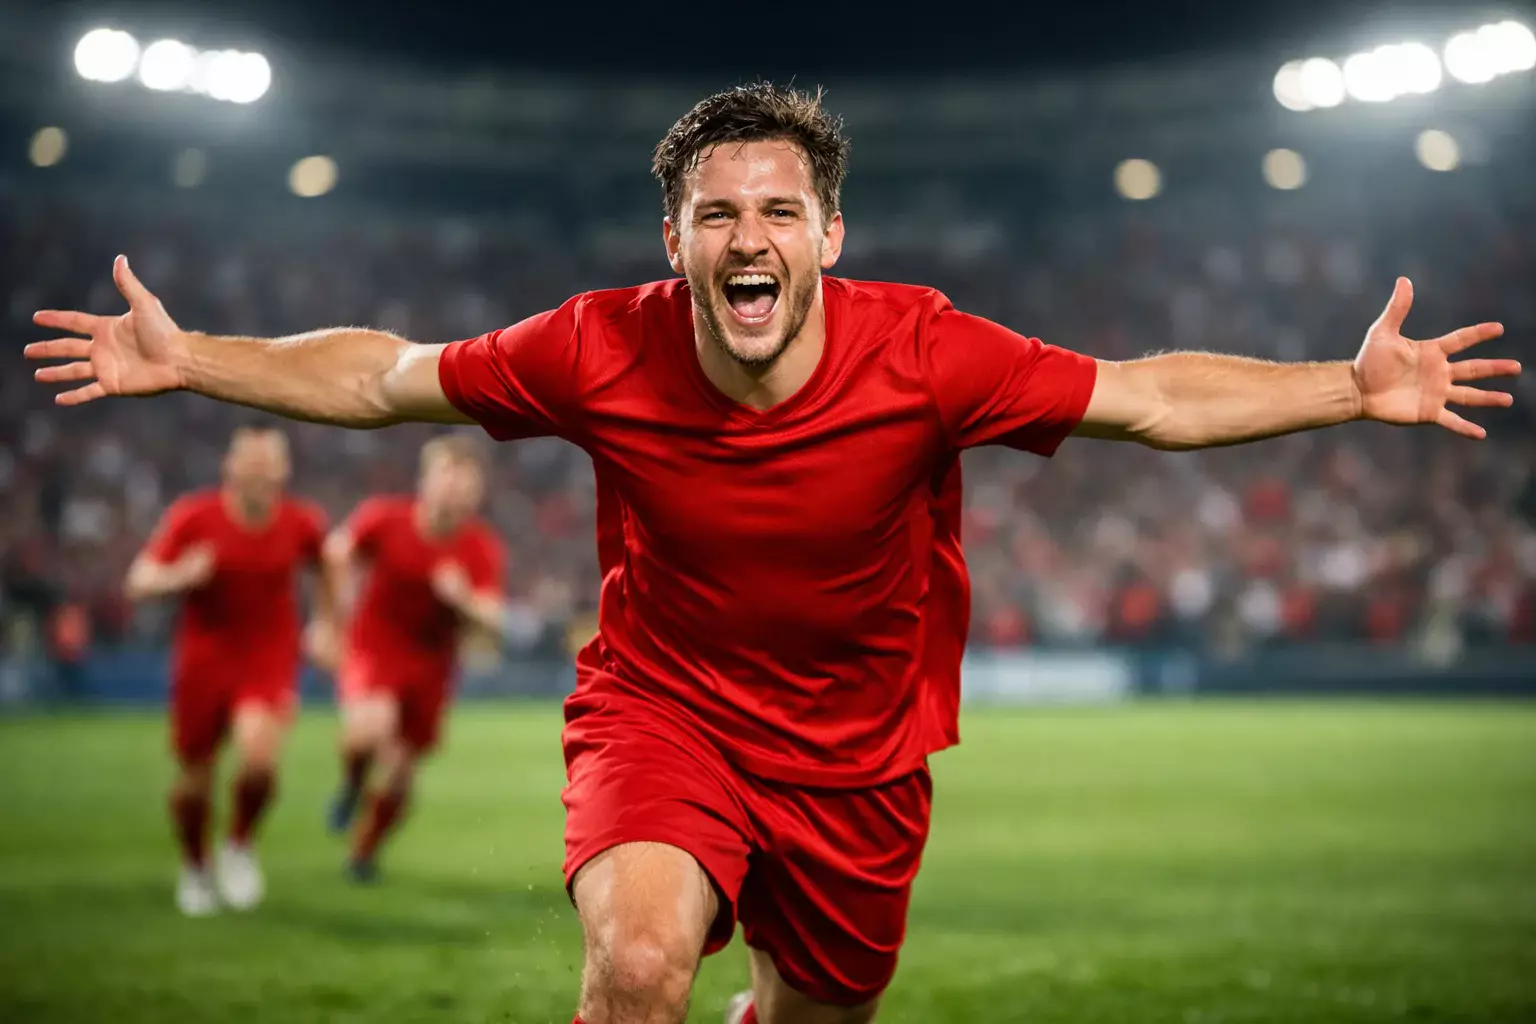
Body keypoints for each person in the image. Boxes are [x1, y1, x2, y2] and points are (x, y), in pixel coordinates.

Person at [28, 82, 1520, 1022]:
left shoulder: (926, 352)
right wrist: (195, 356)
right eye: (718, 214)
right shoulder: (594, 345)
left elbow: (1148, 399)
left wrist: (1349, 389)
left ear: (829, 237)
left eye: (780, 212)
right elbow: (383, 378)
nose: (751, 236)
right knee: (635, 966)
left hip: (859, 752)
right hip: (663, 710)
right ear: (676, 241)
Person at [122, 427, 332, 917]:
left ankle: (238, 843)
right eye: (251, 461)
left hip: (269, 656)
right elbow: (139, 580)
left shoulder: (302, 522)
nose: (260, 472)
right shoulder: (194, 516)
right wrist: (181, 575)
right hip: (205, 659)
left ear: (284, 470)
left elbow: (328, 567)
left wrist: (327, 624)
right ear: (230, 467)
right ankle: (196, 865)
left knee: (259, 761)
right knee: (195, 779)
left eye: (269, 462)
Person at [306, 436, 507, 881]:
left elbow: (495, 619)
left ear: (477, 493)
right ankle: (352, 786)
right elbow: (335, 555)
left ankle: (363, 853)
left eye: (466, 484)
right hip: (376, 646)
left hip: (432, 664)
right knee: (367, 731)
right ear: (426, 479)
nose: (455, 491)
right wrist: (326, 622)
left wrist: (463, 599)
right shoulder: (384, 518)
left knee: (400, 772)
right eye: (448, 477)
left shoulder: (479, 546)